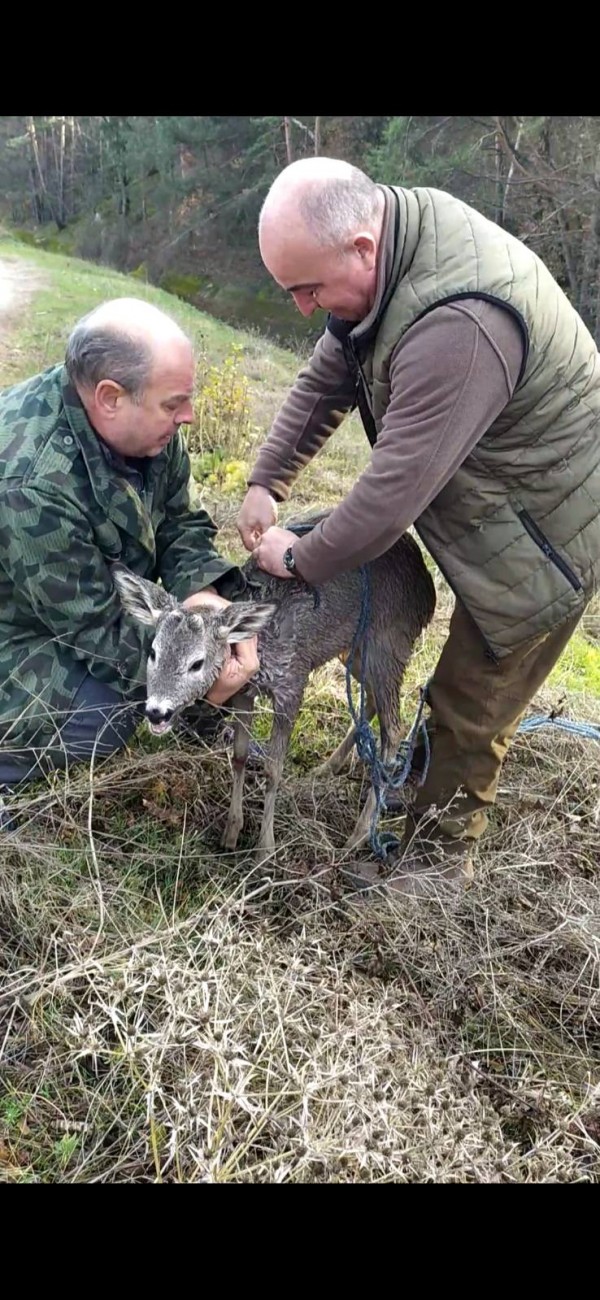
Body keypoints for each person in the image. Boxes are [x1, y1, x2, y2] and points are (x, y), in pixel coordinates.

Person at [237, 157, 600, 897]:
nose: (304, 307)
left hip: (555, 530)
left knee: (470, 700)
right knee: (460, 693)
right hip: (501, 496)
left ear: (362, 247)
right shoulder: (389, 244)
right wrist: (265, 479)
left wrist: (300, 557)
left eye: (308, 288)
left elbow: (387, 499)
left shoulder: (457, 325)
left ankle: (432, 876)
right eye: (291, 291)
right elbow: (329, 372)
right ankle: (419, 807)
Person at [0, 297, 258, 792]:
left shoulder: (149, 429)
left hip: (63, 605)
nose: (189, 416)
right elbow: (98, 630)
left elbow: (181, 523)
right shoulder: (34, 487)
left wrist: (201, 593)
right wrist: (200, 673)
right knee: (107, 713)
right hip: (18, 622)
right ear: (110, 397)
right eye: (173, 404)